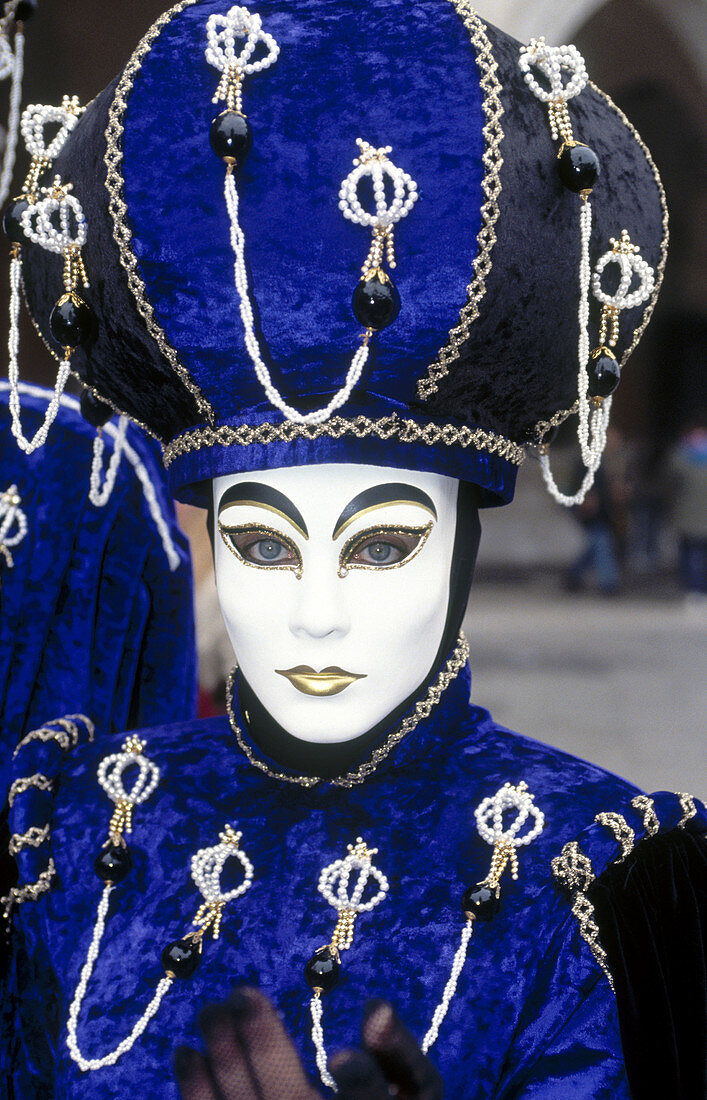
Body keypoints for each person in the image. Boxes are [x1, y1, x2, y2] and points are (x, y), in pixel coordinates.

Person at [2, 3, 704, 1098]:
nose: (313, 613)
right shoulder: (65, 836)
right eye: (262, 546)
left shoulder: (610, 876)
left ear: (464, 537)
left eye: (379, 545)